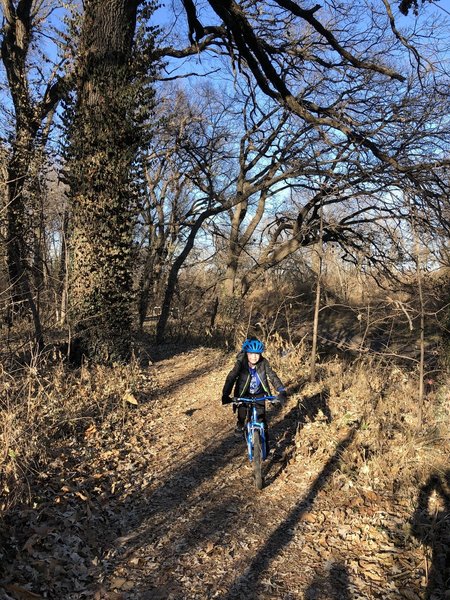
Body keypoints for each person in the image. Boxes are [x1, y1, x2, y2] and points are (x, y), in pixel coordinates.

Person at [221, 337, 287, 451]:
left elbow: (272, 376)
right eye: (251, 354)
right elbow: (231, 377)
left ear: (260, 354)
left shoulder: (263, 363)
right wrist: (226, 395)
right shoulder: (241, 363)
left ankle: (265, 445)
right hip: (243, 393)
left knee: (262, 420)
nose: (254, 357)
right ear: (246, 353)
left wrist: (281, 390)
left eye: (257, 354)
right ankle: (241, 424)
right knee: (242, 412)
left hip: (259, 394)